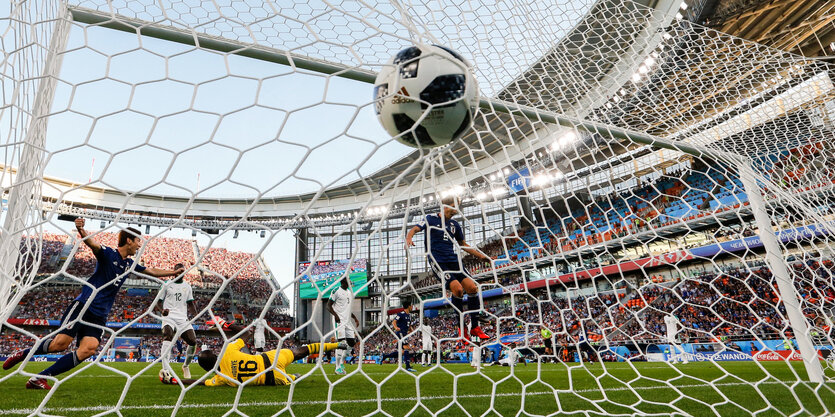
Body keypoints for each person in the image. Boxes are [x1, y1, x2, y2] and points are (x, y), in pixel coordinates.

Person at [3, 219, 183, 390]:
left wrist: (173, 272)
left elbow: (150, 271)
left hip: (99, 315)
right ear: (128, 240)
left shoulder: (130, 264)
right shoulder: (108, 254)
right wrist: (82, 230)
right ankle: (22, 353)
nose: (139, 245)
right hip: (84, 305)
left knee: (88, 349)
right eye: (137, 241)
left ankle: (39, 378)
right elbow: (94, 245)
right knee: (60, 344)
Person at [405, 195, 492, 341]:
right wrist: (409, 237)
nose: (457, 210)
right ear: (447, 206)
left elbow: (463, 244)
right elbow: (415, 228)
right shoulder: (430, 218)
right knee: (457, 289)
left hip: (454, 260)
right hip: (438, 261)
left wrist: (481, 256)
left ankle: (475, 327)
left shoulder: (454, 225)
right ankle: (461, 327)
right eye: (455, 207)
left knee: (472, 288)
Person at [161, 319, 345, 387]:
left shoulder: (220, 379)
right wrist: (227, 324)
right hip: (269, 359)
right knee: (300, 351)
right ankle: (334, 346)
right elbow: (247, 333)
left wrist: (174, 381)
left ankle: (292, 377)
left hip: (272, 379)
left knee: (290, 378)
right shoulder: (228, 350)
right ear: (215, 355)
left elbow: (198, 383)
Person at [154, 262, 199, 378]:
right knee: (167, 336)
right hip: (169, 317)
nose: (180, 272)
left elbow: (190, 304)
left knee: (193, 341)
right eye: (177, 270)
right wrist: (162, 310)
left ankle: (186, 366)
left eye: (182, 270)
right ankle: (165, 369)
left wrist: (195, 314)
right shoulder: (166, 284)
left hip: (182, 318)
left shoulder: (187, 286)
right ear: (174, 272)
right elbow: (157, 302)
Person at [326, 277, 359, 375]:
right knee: (341, 343)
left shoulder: (349, 292)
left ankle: (341, 364)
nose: (349, 283)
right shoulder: (336, 291)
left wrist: (355, 318)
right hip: (339, 320)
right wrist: (335, 315)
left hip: (348, 321)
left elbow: (347, 308)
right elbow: (328, 305)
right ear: (342, 282)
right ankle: (337, 368)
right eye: (347, 281)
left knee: (351, 343)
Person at [391, 301, 416, 372]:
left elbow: (409, 325)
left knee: (403, 351)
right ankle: (408, 366)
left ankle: (386, 356)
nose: (412, 307)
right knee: (406, 347)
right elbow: (394, 321)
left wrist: (411, 330)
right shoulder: (401, 314)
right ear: (408, 306)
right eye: (411, 305)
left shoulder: (409, 315)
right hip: (400, 333)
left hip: (405, 334)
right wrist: (396, 327)